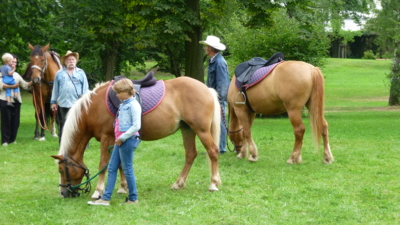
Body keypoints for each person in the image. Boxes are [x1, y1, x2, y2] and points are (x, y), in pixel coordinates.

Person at [88, 78, 141, 206]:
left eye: (118, 93)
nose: (116, 95)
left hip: (127, 140)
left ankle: (133, 198)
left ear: (126, 91)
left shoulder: (134, 105)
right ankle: (105, 199)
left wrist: (122, 138)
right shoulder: (123, 104)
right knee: (112, 168)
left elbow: (136, 126)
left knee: (127, 169)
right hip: (119, 141)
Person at [200, 35, 230, 154]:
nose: (205, 48)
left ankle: (221, 148)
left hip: (218, 99)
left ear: (211, 48)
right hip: (212, 98)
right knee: (213, 123)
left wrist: (219, 100)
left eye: (207, 46)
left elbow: (223, 84)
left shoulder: (219, 62)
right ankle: (214, 146)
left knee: (220, 123)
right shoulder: (213, 61)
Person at [50, 50, 89, 144]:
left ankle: (81, 143)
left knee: (79, 124)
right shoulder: (59, 73)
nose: (71, 61)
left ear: (75, 61)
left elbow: (85, 88)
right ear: (65, 61)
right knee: (63, 124)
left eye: (73, 59)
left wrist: (84, 101)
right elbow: (55, 88)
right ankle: (63, 144)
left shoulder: (81, 73)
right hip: (63, 103)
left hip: (77, 103)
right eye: (69, 60)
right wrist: (53, 102)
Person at [0, 54, 32, 146]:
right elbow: (1, 86)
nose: (14, 64)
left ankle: (12, 139)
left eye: (15, 62)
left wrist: (34, 81)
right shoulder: (2, 73)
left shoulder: (16, 75)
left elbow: (25, 85)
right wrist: (12, 86)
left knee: (15, 121)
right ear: (7, 61)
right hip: (4, 100)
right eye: (12, 62)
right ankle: (5, 141)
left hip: (16, 101)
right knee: (6, 120)